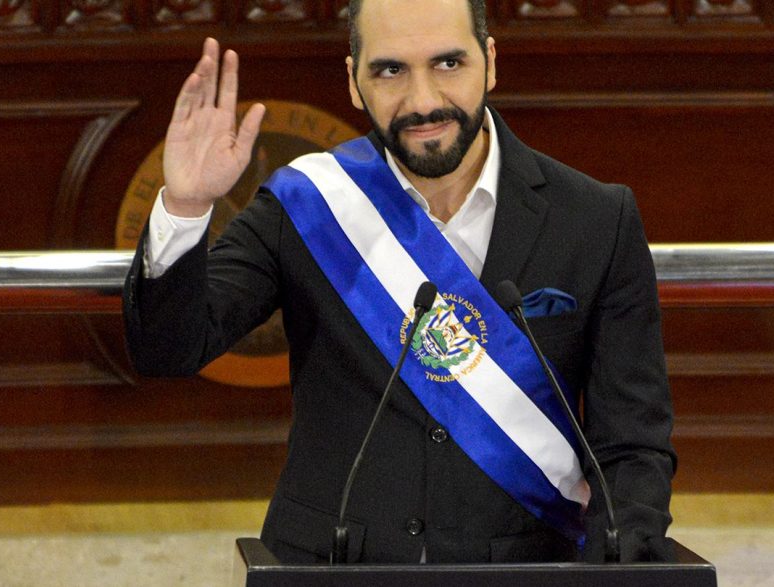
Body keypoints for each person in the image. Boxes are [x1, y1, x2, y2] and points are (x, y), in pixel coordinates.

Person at [123, 0, 676, 564]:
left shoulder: (594, 219)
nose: (423, 101)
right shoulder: (309, 205)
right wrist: (188, 205)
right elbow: (169, 347)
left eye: (448, 64)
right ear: (354, 82)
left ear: (489, 61)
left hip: (528, 568)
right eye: (390, 70)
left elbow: (633, 448)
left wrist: (613, 572)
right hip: (334, 566)